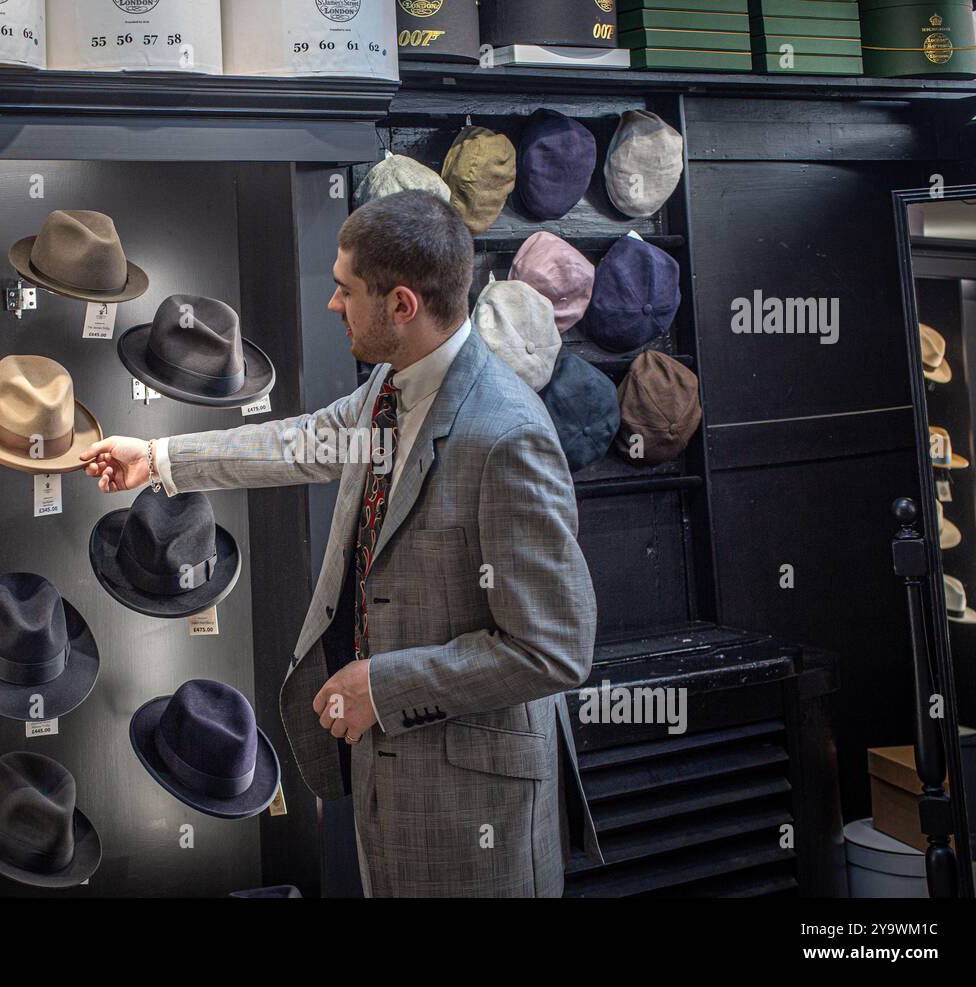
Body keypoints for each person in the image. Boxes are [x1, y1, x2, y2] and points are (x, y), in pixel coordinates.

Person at [82, 190, 598, 897]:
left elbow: (555, 646)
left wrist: (384, 687)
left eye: (346, 289)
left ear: (403, 306)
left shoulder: (508, 436)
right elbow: (301, 441)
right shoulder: (391, 387)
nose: (332, 304)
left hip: (473, 808)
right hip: (386, 774)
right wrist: (160, 458)